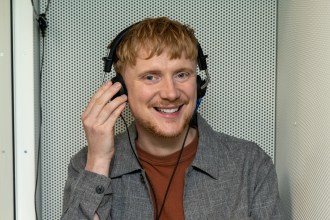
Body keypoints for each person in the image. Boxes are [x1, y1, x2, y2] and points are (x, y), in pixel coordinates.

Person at [61, 16, 281, 220]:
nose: (171, 93)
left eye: (182, 74)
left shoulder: (251, 164)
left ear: (198, 84)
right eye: (150, 77)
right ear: (121, 90)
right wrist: (99, 162)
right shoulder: (85, 165)